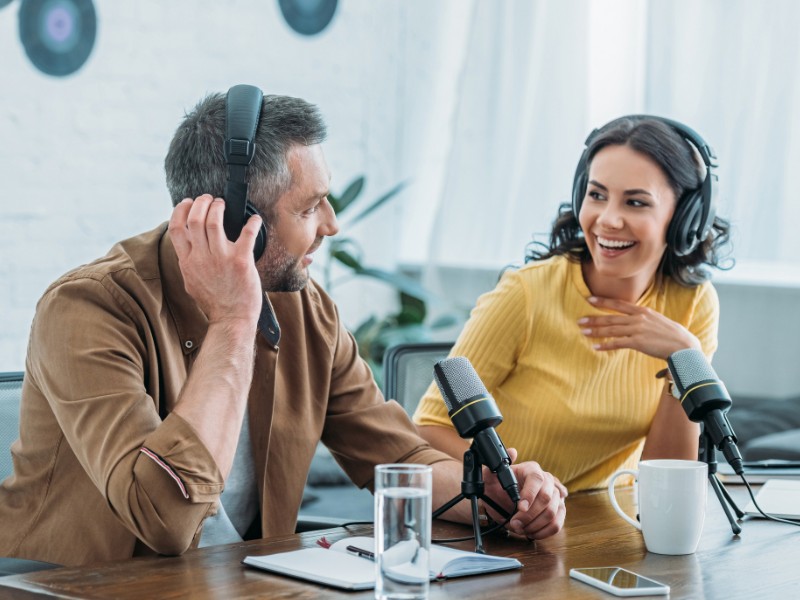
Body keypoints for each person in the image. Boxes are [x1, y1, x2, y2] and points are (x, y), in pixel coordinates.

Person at [0, 87, 565, 567]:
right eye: (309, 207)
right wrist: (234, 319)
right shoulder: (89, 310)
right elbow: (164, 519)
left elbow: (398, 459)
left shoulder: (304, 309)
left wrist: (490, 495)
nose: (333, 225)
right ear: (238, 222)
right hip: (76, 590)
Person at [414, 116, 731, 493]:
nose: (608, 220)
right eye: (597, 195)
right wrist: (517, 483)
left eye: (635, 202)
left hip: (605, 526)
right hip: (511, 519)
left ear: (683, 218)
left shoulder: (693, 303)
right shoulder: (526, 294)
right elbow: (429, 429)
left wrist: (685, 357)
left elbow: (668, 482)